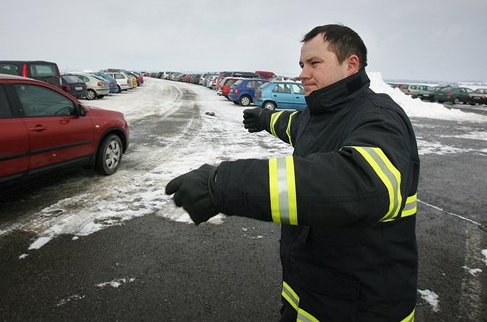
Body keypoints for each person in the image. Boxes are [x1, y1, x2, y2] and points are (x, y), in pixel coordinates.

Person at [165, 24, 419, 322]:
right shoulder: (320, 112)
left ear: (351, 64)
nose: (302, 73)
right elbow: (295, 125)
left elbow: (362, 183)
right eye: (301, 64)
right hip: (308, 294)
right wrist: (265, 117)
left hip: (361, 307)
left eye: (314, 63)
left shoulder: (378, 117)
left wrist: (223, 185)